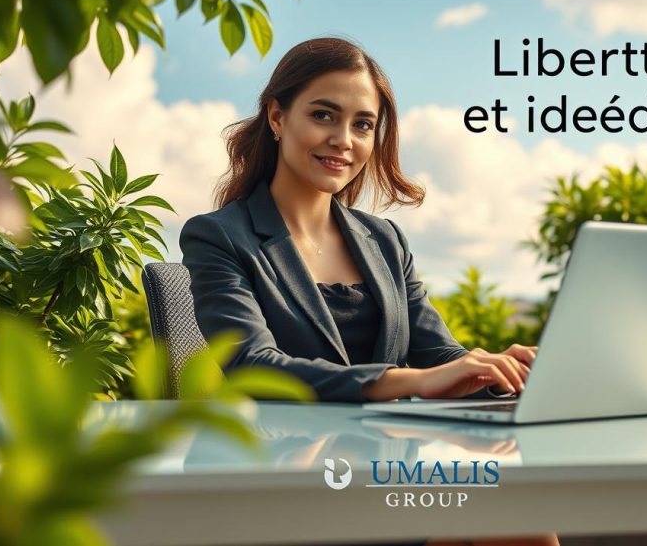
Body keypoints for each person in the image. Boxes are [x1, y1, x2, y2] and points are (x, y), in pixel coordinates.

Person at [180, 37, 560, 546]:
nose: (344, 139)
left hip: (389, 483)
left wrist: (491, 370)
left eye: (362, 124)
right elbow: (252, 363)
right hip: (289, 487)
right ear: (276, 117)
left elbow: (436, 355)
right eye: (323, 115)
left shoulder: (384, 240)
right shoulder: (220, 236)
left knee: (509, 500)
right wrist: (405, 381)